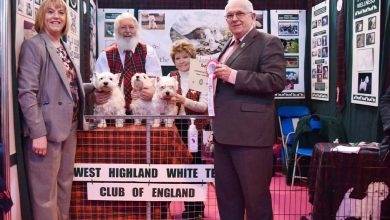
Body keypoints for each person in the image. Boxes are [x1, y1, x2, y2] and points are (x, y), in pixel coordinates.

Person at [17, 0, 94, 219]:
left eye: (61, 12)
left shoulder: (63, 45)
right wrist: (38, 133)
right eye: (50, 12)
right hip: (47, 130)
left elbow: (66, 87)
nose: (56, 16)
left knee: (63, 187)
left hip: (68, 127)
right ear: (42, 16)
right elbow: (26, 92)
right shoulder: (34, 46)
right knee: (45, 195)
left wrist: (92, 88)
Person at [213, 0, 286, 219]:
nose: (234, 19)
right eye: (229, 15)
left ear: (253, 17)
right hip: (224, 136)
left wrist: (234, 76)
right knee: (227, 199)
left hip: (251, 138)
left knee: (256, 200)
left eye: (239, 14)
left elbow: (276, 81)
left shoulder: (268, 42)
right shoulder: (228, 45)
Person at [168, 39, 208, 220]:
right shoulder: (171, 76)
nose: (182, 61)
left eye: (185, 57)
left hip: (195, 127)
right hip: (174, 128)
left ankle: (196, 209)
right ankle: (185, 206)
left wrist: (184, 101)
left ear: (192, 58)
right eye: (178, 58)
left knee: (195, 168)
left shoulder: (199, 74)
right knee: (180, 169)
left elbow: (204, 106)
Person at [95, 12, 162, 111]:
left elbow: (156, 81)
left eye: (131, 27)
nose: (127, 31)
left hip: (142, 112)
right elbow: (98, 83)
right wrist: (98, 95)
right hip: (113, 113)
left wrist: (153, 91)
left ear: (136, 30)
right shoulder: (105, 55)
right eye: (123, 27)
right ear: (117, 31)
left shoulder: (149, 52)